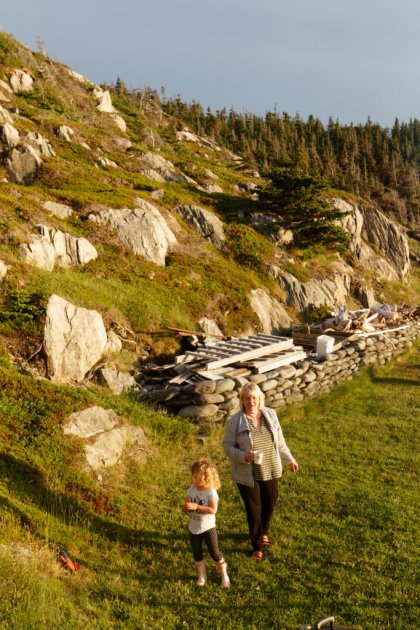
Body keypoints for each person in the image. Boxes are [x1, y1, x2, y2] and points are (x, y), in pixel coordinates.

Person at [222, 382, 298, 560]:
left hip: (270, 467)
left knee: (270, 502)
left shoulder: (270, 414)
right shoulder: (235, 421)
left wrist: (290, 459)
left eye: (254, 398)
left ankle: (264, 531)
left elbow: (280, 441)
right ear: (242, 400)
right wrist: (244, 456)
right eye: (247, 398)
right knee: (254, 509)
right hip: (247, 473)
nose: (251, 402)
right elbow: (227, 446)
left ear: (260, 398)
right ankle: (257, 545)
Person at [184, 459, 230, 587]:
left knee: (215, 553)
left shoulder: (211, 492)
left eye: (196, 477)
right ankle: (202, 576)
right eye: (193, 476)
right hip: (193, 528)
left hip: (208, 527)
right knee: (197, 553)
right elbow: (186, 505)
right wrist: (187, 507)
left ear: (206, 477)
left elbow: (213, 510)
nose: (193, 479)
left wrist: (197, 507)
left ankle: (224, 574)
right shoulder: (191, 490)